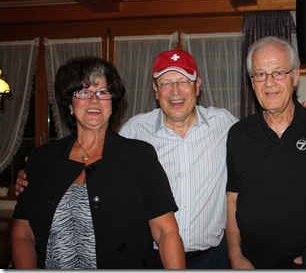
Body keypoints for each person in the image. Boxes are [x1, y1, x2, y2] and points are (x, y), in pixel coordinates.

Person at [15, 49, 306, 269]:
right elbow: (89, 157)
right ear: (155, 90)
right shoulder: (134, 134)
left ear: (198, 86)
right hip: (148, 258)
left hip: (216, 259)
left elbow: (269, 128)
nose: (175, 90)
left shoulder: (227, 125)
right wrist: (34, 178)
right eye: (166, 82)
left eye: (183, 81)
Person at [11, 56, 185, 269]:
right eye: (83, 92)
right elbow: (23, 234)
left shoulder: (139, 156)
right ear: (70, 105)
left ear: (112, 105)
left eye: (103, 93)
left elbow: (166, 232)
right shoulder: (42, 159)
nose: (94, 100)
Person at [225, 36, 306, 269]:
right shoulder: (238, 134)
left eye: (278, 73)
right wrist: (236, 256)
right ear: (252, 82)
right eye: (260, 74)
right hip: (254, 265)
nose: (269, 83)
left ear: (295, 76)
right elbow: (232, 201)